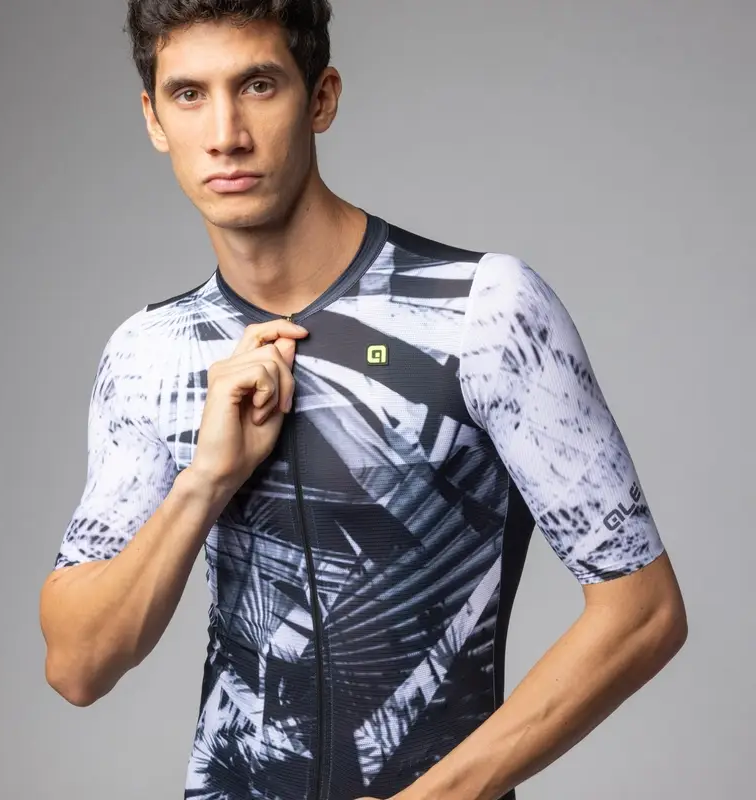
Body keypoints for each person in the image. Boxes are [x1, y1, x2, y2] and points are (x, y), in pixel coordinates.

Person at [38, 2, 688, 799]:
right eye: (189, 95)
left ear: (321, 98)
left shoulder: (480, 312)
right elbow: (78, 665)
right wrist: (206, 480)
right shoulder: (151, 353)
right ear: (153, 119)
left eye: (258, 85)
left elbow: (643, 612)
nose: (225, 134)